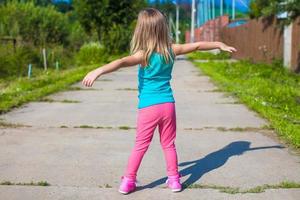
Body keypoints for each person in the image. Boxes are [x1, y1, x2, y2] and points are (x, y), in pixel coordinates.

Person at [82, 7, 236, 194]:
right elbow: (196, 46)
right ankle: (174, 181)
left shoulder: (143, 55)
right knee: (168, 144)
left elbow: (121, 62)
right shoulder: (171, 50)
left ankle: (128, 181)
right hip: (168, 105)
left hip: (148, 107)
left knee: (141, 145)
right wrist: (219, 44)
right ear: (163, 28)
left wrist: (97, 71)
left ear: (141, 31)